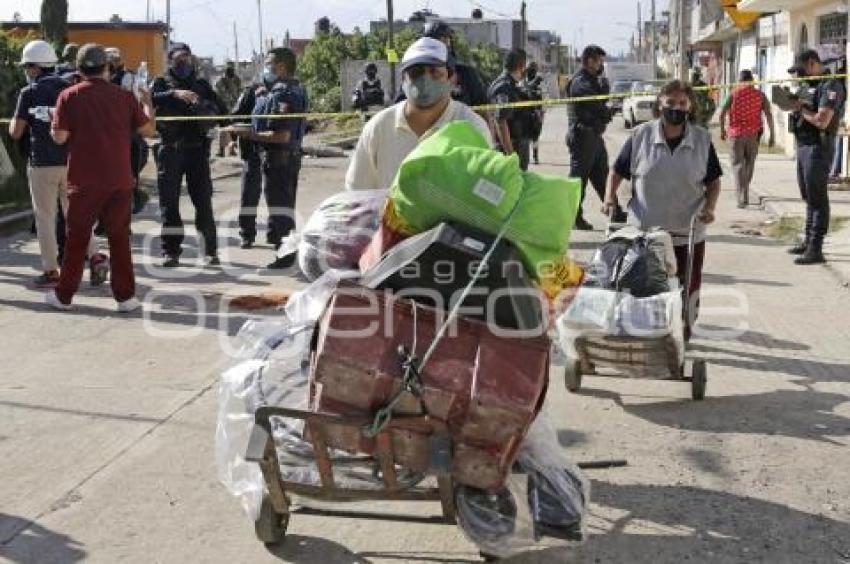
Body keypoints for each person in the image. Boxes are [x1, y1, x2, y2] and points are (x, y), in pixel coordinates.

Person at [603, 80, 722, 339]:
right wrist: (609, 198)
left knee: (687, 287)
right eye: (670, 103)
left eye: (682, 103)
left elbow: (713, 182)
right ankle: (644, 331)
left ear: (690, 107)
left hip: (686, 232)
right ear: (660, 104)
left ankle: (682, 333)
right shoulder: (640, 135)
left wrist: (710, 208)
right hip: (645, 232)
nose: (676, 108)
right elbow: (617, 171)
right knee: (643, 285)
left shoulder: (702, 139)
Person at [45, 43, 156, 312]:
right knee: (119, 239)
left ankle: (64, 296)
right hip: (119, 179)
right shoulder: (124, 97)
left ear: (79, 69)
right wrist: (148, 103)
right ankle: (126, 297)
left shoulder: (68, 96)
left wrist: (52, 122)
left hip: (84, 180)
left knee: (77, 240)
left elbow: (59, 137)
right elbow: (149, 131)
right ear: (107, 68)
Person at [8, 39, 104, 288]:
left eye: (27, 67)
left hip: (41, 164)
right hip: (72, 161)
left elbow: (16, 132)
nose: (26, 72)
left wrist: (20, 120)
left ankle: (52, 270)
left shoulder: (28, 93)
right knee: (77, 216)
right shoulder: (70, 88)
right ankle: (95, 257)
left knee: (46, 219)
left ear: (35, 67)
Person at [345, 37, 491, 192]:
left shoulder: (472, 128)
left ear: (451, 78)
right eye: (416, 73)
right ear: (404, 80)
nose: (425, 80)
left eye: (435, 72)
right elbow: (357, 194)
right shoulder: (379, 128)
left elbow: (487, 195)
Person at [227, 47, 308, 269]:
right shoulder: (294, 88)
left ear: (281, 66)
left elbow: (281, 134)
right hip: (285, 157)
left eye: (270, 63)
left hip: (279, 158)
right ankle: (284, 250)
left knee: (280, 208)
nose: (267, 67)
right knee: (283, 207)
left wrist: (249, 134)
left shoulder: (284, 93)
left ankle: (285, 256)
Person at [151, 42, 226, 267]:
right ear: (171, 60)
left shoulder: (201, 85)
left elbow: (222, 112)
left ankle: (210, 251)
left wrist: (200, 104)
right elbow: (149, 99)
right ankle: (171, 251)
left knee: (203, 202)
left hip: (196, 151)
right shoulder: (161, 83)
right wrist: (174, 94)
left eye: (186, 57)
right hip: (170, 150)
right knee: (169, 204)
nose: (183, 62)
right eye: (178, 58)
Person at [785, 49, 845, 265]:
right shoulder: (808, 85)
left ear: (813, 64)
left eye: (801, 71)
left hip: (818, 147)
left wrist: (800, 109)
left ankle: (816, 247)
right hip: (803, 145)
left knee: (817, 197)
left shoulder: (831, 86)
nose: (799, 76)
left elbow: (822, 121)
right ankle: (808, 240)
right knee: (808, 195)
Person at [567, 45, 624, 229]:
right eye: (599, 61)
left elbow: (600, 101)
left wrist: (605, 96)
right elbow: (594, 105)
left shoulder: (593, 80)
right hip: (583, 135)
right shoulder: (580, 81)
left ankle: (615, 210)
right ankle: (573, 216)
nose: (601, 65)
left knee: (602, 174)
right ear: (590, 61)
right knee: (578, 181)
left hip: (594, 136)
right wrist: (607, 110)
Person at [719, 69, 776, 208]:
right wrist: (772, 134)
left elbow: (721, 113)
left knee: (738, 165)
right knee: (749, 163)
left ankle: (742, 197)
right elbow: (769, 114)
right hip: (753, 135)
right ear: (752, 81)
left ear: (739, 80)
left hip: (736, 135)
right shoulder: (760, 95)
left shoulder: (733, 94)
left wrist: (722, 130)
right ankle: (745, 191)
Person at [106, 47, 150, 215]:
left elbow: (137, 102)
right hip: (107, 135)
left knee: (129, 177)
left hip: (128, 135)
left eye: (115, 59)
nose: (113, 63)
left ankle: (129, 208)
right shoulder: (101, 78)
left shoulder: (130, 78)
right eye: (110, 60)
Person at [230, 81, 264, 249]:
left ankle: (281, 237)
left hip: (278, 151)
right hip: (253, 151)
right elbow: (235, 116)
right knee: (249, 195)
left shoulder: (287, 89)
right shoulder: (251, 91)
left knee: (280, 197)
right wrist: (233, 138)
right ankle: (247, 234)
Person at [489, 49, 533, 171]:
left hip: (515, 145)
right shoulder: (504, 87)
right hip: (511, 148)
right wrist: (510, 154)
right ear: (521, 66)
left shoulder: (509, 84)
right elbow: (500, 121)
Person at [215, 61, 242, 157]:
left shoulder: (237, 80)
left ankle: (232, 149)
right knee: (223, 129)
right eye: (228, 69)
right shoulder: (220, 81)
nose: (230, 71)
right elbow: (219, 94)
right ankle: (221, 150)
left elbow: (240, 92)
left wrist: (238, 103)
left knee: (234, 129)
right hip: (223, 108)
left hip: (235, 108)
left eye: (231, 69)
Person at [522, 61, 545, 165]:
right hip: (525, 113)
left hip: (536, 113)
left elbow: (543, 98)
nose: (530, 72)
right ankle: (526, 157)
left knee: (535, 136)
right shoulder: (523, 82)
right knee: (526, 137)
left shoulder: (539, 82)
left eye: (532, 70)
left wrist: (542, 113)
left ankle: (535, 156)